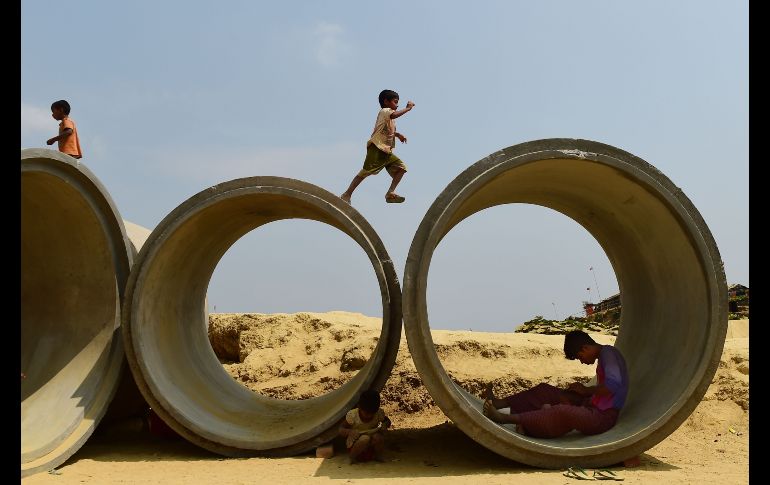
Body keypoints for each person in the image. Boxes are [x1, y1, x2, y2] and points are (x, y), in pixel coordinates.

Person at [482, 330, 629, 439]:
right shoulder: (604, 355)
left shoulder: (608, 354)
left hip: (603, 417)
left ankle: (506, 419)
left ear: (585, 348)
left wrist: (586, 390)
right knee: (545, 391)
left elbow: (613, 386)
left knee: (562, 411)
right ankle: (500, 403)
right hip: (591, 404)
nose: (582, 361)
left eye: (579, 357)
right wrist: (582, 392)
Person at [340, 90, 414, 205]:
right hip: (377, 148)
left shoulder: (390, 118)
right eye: (395, 102)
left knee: (401, 168)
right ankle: (347, 194)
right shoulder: (385, 111)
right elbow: (394, 114)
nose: (397, 105)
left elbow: (386, 130)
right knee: (365, 172)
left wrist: (397, 134)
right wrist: (408, 108)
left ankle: (390, 193)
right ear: (386, 102)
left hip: (386, 151)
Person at [338, 389, 392, 463]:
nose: (369, 416)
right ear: (359, 407)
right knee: (365, 438)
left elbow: (387, 421)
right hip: (356, 446)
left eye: (372, 413)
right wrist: (349, 432)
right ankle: (351, 457)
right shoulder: (353, 415)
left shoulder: (379, 414)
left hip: (370, 448)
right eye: (366, 413)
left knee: (378, 437)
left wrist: (385, 425)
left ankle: (378, 456)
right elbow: (341, 429)